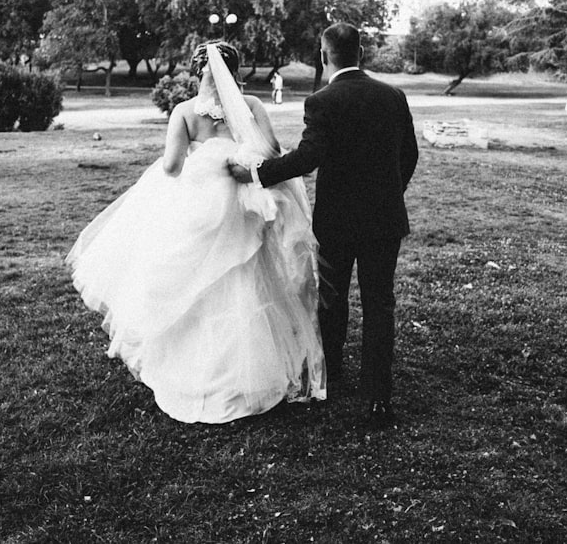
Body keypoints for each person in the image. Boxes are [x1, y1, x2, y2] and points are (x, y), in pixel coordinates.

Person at [67, 41, 326, 424]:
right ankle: (246, 376)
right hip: (241, 203)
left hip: (199, 205)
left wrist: (197, 158)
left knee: (195, 280)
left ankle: (194, 375)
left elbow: (172, 167)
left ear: (196, 71)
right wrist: (239, 156)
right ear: (234, 72)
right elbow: (271, 150)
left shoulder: (184, 112)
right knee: (245, 278)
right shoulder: (250, 105)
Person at [229, 23, 418, 428]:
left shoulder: (322, 101)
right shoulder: (393, 95)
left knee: (331, 299)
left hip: (337, 221)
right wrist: (389, 195)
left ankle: (331, 374)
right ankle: (378, 398)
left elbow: (308, 157)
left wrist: (258, 174)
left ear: (324, 54)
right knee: (380, 303)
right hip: (385, 220)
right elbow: (410, 155)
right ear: (361, 53)